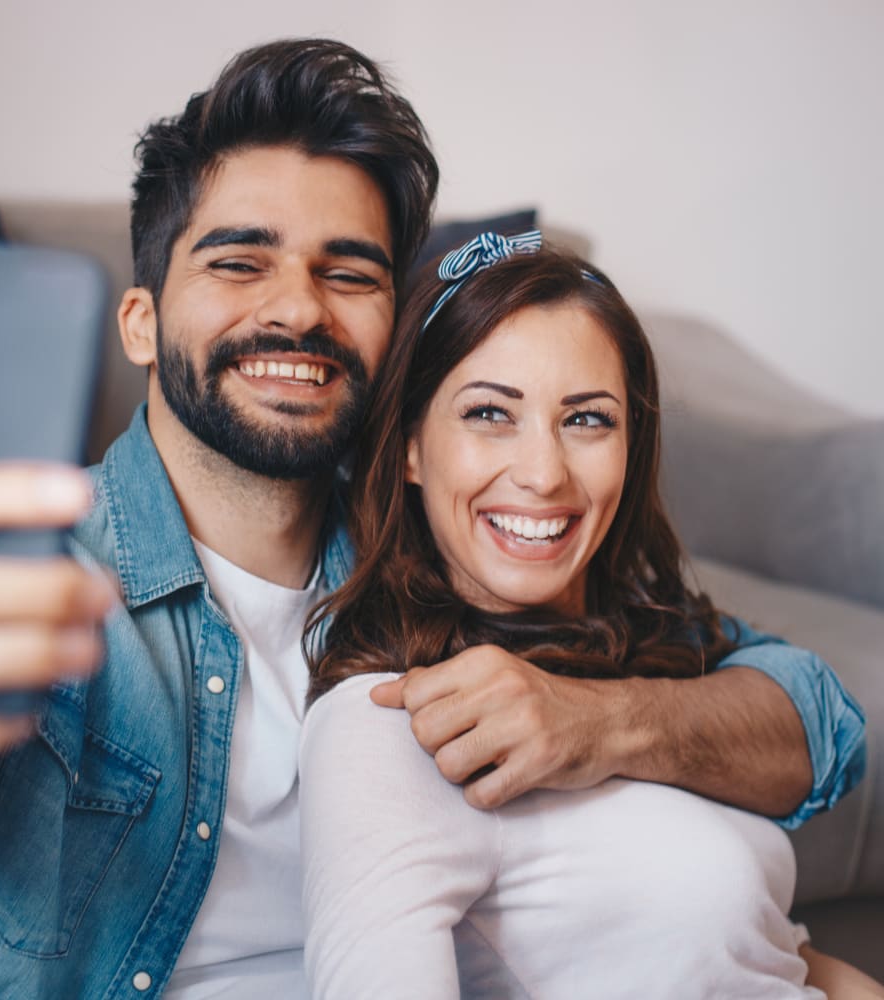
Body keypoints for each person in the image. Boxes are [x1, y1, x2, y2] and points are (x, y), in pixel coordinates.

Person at [0, 39, 865, 999]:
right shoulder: (41, 576)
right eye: (239, 262)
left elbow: (807, 713)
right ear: (140, 321)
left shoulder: (447, 540)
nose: (298, 310)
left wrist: (605, 720)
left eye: (348, 272)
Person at [300, 236, 878, 998]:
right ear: (410, 447)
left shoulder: (660, 647)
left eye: (588, 420)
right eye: (489, 414)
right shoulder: (389, 726)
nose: (544, 474)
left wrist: (597, 721)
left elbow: (777, 950)